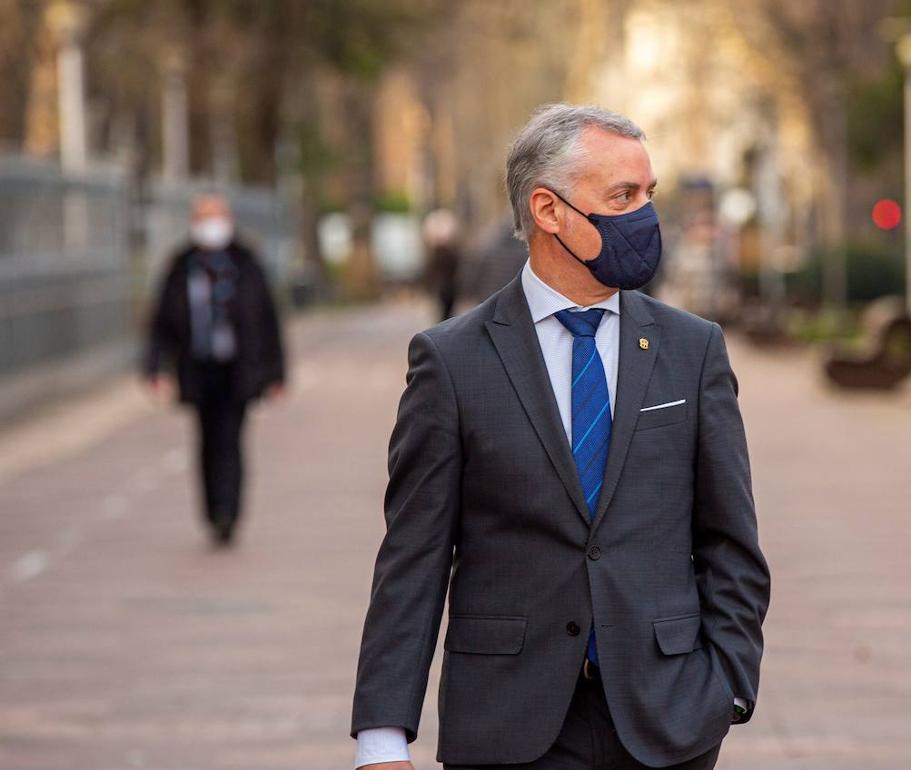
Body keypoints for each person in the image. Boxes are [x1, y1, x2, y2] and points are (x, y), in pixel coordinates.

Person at [351, 104, 769, 770]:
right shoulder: (451, 361)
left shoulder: (692, 350)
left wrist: (725, 689)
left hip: (669, 722)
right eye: (622, 196)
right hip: (509, 725)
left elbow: (731, 542)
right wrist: (381, 735)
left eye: (648, 195)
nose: (644, 217)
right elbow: (414, 555)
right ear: (549, 211)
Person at [142, 194, 286, 546]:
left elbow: (268, 320)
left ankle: (228, 512)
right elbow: (162, 322)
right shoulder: (181, 266)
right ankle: (211, 510)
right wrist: (156, 368)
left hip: (238, 368)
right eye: (204, 217)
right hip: (198, 367)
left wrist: (276, 372)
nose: (211, 225)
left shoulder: (246, 263)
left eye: (216, 216)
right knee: (207, 440)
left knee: (232, 439)